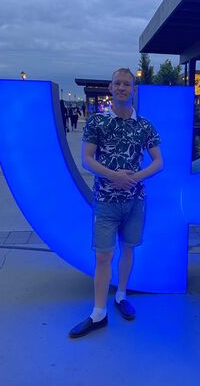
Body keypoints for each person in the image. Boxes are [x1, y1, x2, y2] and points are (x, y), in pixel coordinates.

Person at [69, 68, 163, 338]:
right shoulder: (97, 122)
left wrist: (133, 178)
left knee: (128, 248)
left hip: (135, 201)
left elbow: (159, 162)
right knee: (103, 255)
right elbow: (87, 159)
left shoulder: (144, 125)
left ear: (133, 89)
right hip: (106, 200)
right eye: (117, 83)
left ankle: (121, 295)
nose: (122, 87)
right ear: (110, 88)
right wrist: (114, 176)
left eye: (127, 84)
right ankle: (98, 312)